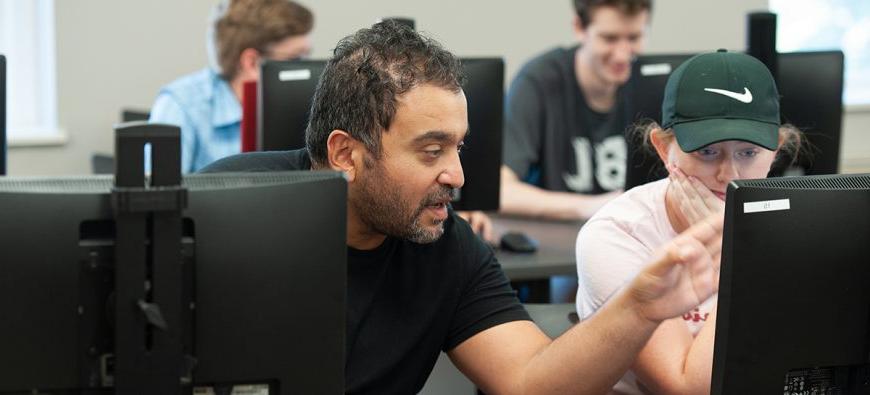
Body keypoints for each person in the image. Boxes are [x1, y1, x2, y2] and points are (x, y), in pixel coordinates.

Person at [202, 21, 722, 395]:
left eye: (459, 148)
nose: (457, 175)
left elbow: (529, 382)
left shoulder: (446, 247)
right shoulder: (227, 212)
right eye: (432, 151)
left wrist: (640, 308)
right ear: (346, 154)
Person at [575, 50, 802, 394]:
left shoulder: (798, 224)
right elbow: (690, 387)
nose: (729, 174)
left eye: (749, 152)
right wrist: (736, 250)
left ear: (777, 150)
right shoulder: (616, 236)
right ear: (664, 150)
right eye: (707, 152)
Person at [500, 0, 651, 221]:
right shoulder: (539, 81)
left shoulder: (649, 82)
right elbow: (502, 192)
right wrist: (593, 207)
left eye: (634, 38)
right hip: (557, 243)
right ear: (580, 28)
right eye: (609, 38)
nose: (622, 55)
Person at [149, 0, 313, 173]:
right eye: (296, 59)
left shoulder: (299, 106)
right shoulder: (180, 106)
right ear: (252, 63)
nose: (306, 69)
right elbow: (160, 197)